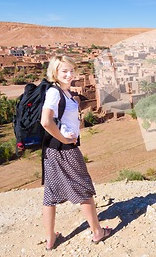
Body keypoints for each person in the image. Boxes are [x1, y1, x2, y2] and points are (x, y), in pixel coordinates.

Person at [40, 55, 111, 250]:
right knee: (83, 189)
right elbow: (45, 121)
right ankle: (98, 232)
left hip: (51, 150)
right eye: (64, 71)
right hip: (64, 149)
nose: (69, 74)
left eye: (72, 70)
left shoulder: (64, 92)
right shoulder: (54, 93)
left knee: (51, 194)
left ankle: (50, 239)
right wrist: (64, 139)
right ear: (55, 72)